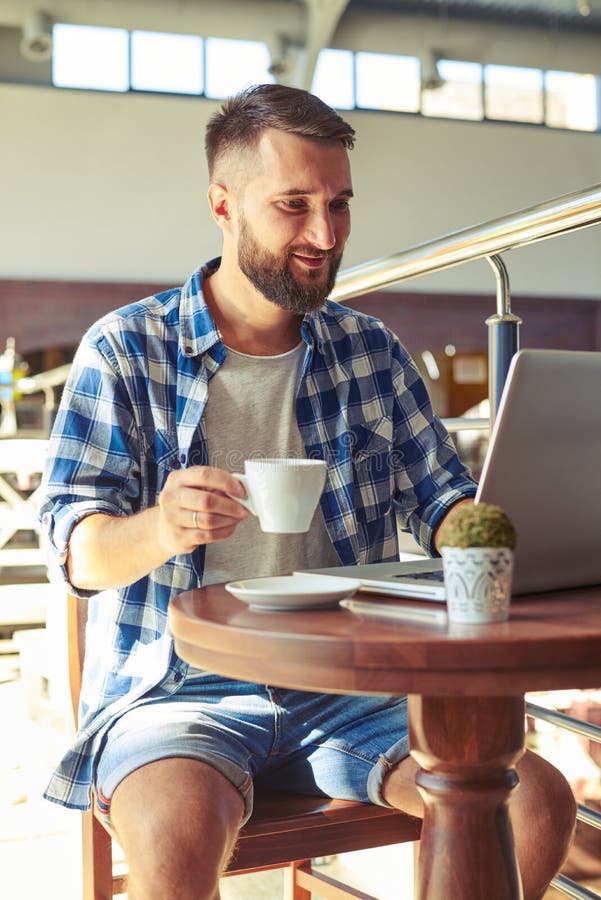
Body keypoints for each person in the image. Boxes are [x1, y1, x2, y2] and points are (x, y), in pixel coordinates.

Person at [39, 84, 575, 900]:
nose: (324, 235)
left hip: (350, 682)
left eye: (339, 205)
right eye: (293, 205)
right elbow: (76, 547)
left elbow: (440, 498)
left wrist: (484, 521)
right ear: (223, 204)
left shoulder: (368, 349)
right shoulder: (125, 349)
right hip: (178, 688)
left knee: (534, 804)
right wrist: (159, 527)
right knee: (174, 840)